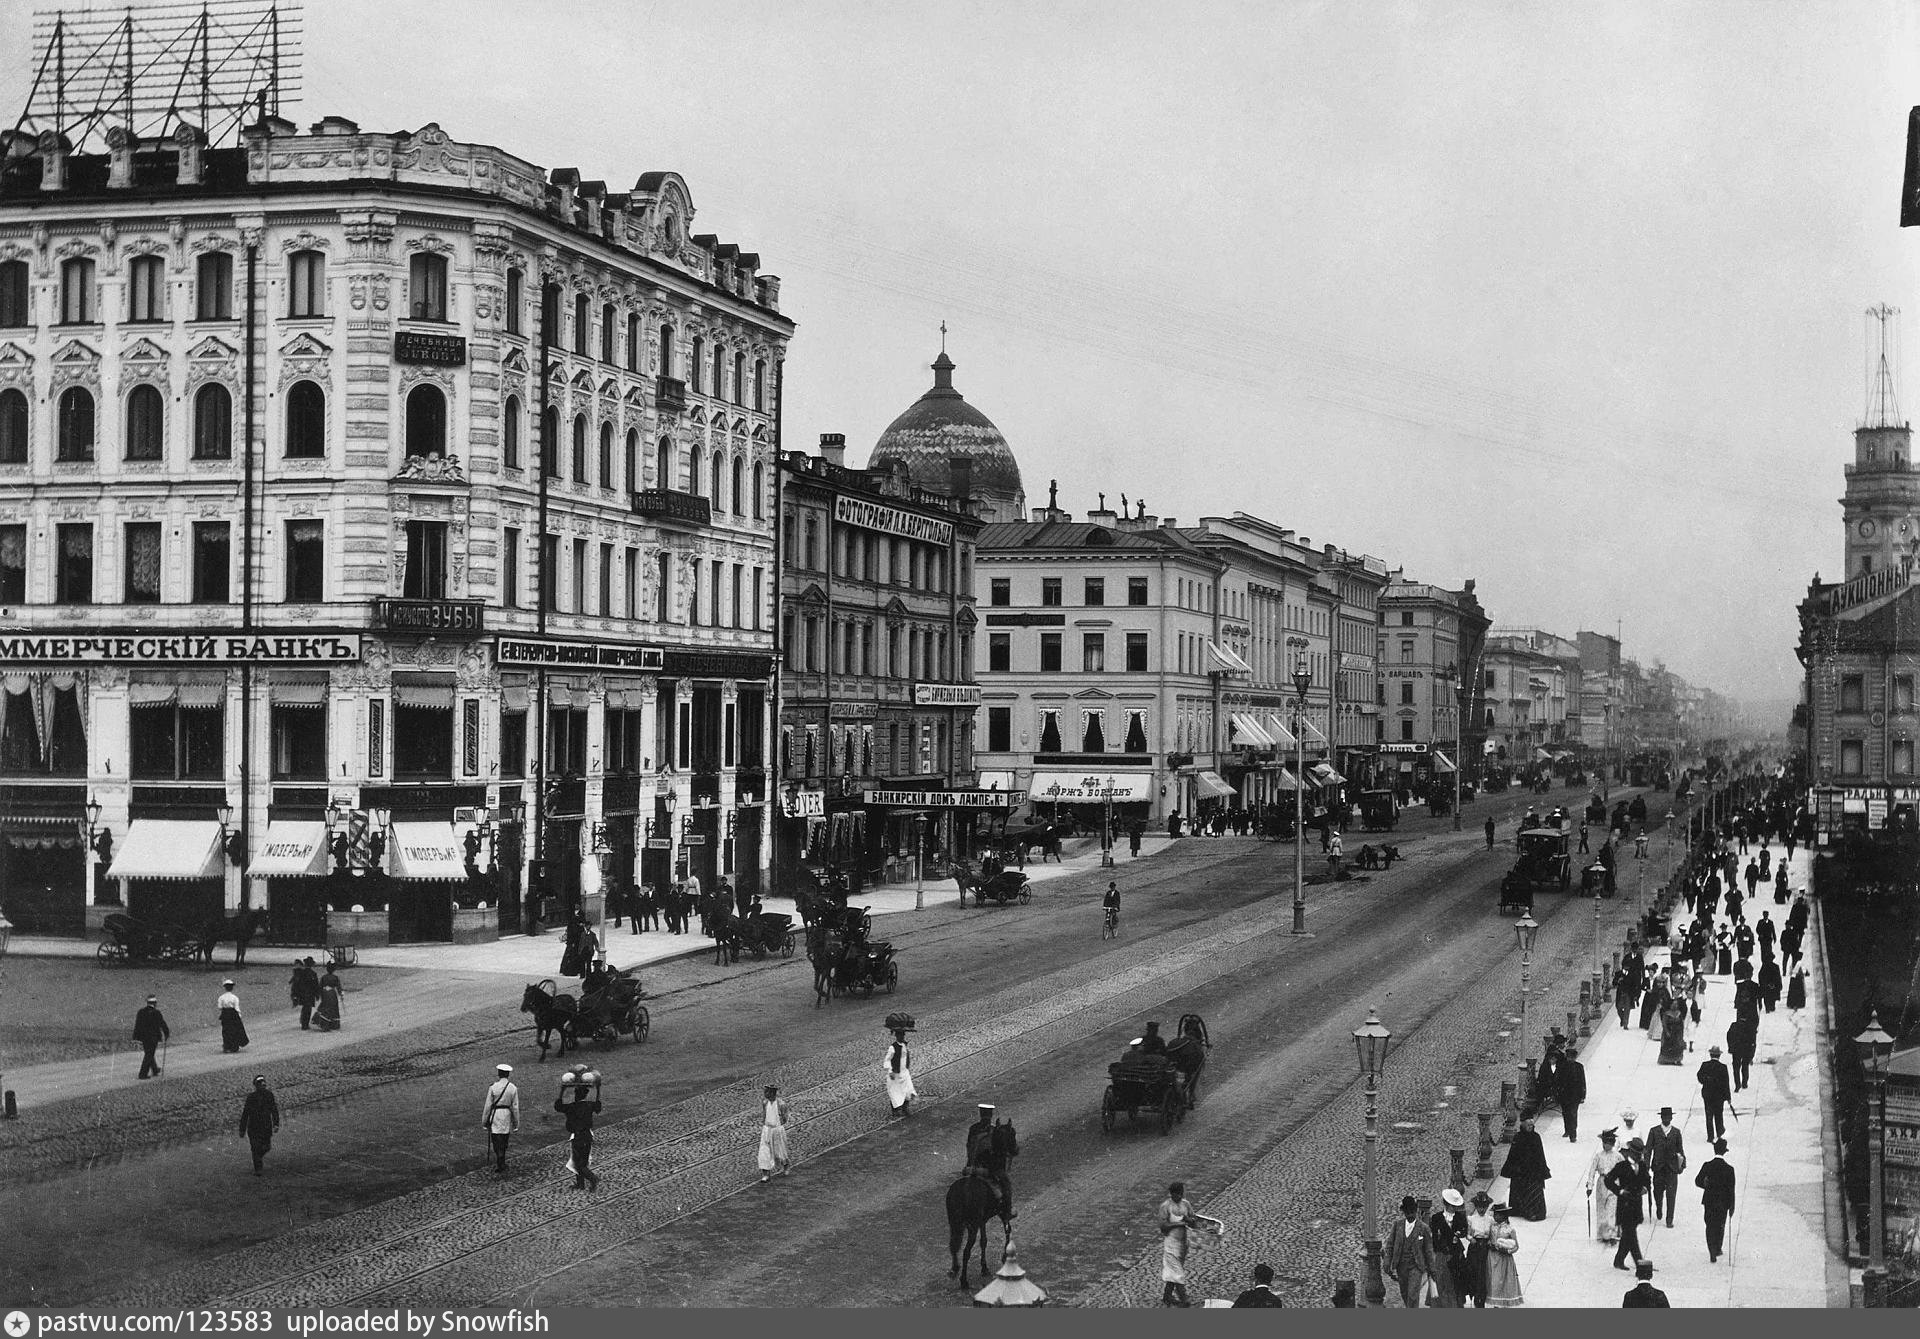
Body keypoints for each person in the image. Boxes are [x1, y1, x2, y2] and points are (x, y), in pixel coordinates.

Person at [1156, 1181, 1224, 1307]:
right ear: (1172, 1194)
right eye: (1177, 1194)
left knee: (1174, 1270)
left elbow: (1194, 1221)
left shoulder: (1186, 1204)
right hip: (1171, 1244)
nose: (1180, 1197)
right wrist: (1179, 1223)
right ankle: (1184, 1299)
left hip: (1183, 1244)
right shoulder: (1166, 1207)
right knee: (1178, 1272)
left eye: (1181, 1194)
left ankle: (1167, 1296)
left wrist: (1189, 1220)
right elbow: (1163, 1227)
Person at [1604, 1137, 1650, 1270]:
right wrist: (1619, 1191)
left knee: (1627, 1235)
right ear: (1630, 1152)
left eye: (1640, 1154)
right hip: (1625, 1206)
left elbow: (1647, 1179)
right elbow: (1608, 1180)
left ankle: (1618, 1260)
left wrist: (1646, 1188)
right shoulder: (1622, 1166)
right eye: (1636, 1153)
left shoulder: (1641, 1165)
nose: (1638, 1156)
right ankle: (1640, 1264)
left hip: (1636, 1205)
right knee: (1631, 1235)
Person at [1384, 1193, 1435, 1308]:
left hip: (1416, 1266)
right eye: (1407, 1212)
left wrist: (1432, 1268)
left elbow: (1428, 1250)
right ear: (1404, 1212)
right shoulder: (1397, 1225)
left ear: (1416, 1211)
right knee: (1405, 1293)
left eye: (1412, 1211)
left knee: (1413, 1294)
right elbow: (1390, 1245)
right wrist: (1387, 1261)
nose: (1410, 1214)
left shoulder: (1423, 1228)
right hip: (1401, 1266)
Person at [1499, 1116, 1551, 1221]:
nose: (1530, 1127)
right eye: (1528, 1125)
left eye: (1532, 1125)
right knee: (1519, 1189)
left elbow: (1540, 1155)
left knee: (1534, 1192)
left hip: (1533, 1170)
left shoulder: (1536, 1137)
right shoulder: (1518, 1137)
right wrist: (1512, 1168)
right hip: (1520, 1170)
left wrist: (1542, 1170)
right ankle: (1519, 1210)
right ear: (1523, 1125)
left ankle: (1533, 1212)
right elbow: (1513, 1154)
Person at [554, 1080, 602, 1191]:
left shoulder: (572, 1107)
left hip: (578, 1137)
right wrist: (598, 1090)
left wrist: (562, 1090)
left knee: (577, 1163)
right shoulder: (589, 1105)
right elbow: (598, 1106)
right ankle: (581, 1184)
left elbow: (558, 1106)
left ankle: (593, 1179)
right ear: (585, 1095)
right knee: (582, 1162)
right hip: (588, 1137)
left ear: (576, 1095)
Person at [1695, 1138, 1737, 1262]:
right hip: (1723, 1202)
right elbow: (1731, 1189)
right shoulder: (1729, 1169)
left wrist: (1705, 1184)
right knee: (1720, 1225)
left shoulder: (1707, 1165)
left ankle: (1711, 1250)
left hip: (1709, 1200)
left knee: (1709, 1225)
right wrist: (1732, 1206)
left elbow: (1697, 1181)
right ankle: (1718, 1247)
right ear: (1725, 1152)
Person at [1648, 1107, 1687, 1228]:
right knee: (1657, 1192)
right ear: (1661, 1118)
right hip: (1658, 1168)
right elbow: (1648, 1149)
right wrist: (1646, 1165)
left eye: (1668, 1117)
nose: (1666, 1119)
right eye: (1664, 1117)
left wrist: (1682, 1164)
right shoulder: (1654, 1131)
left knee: (1671, 1194)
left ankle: (1669, 1219)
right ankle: (1659, 1207)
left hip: (1671, 1169)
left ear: (1671, 1118)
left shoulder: (1676, 1132)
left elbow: (1680, 1149)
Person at [237, 1075, 280, 1175]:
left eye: (264, 1084)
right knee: (255, 1148)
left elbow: (274, 1110)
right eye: (261, 1085)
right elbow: (245, 1113)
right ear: (256, 1086)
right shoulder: (251, 1097)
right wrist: (242, 1129)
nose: (263, 1086)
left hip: (266, 1127)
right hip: (253, 1127)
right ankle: (258, 1169)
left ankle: (258, 1159)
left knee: (266, 1147)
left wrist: (276, 1123)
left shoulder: (269, 1095)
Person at [1585, 1129, 1621, 1243]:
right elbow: (1592, 1171)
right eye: (1604, 1142)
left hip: (1614, 1183)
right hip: (1602, 1183)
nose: (1606, 1145)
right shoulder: (1598, 1156)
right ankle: (1603, 1234)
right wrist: (1590, 1186)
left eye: (1609, 1142)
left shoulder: (1618, 1156)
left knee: (1611, 1208)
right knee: (1601, 1209)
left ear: (1613, 1143)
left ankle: (1612, 1235)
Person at [1484, 1204, 1524, 1307]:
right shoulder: (1492, 1226)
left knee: (1504, 1279)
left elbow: (1516, 1246)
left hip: (1504, 1258)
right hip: (1493, 1257)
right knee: (1494, 1279)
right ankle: (1495, 1302)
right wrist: (1490, 1244)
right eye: (1494, 1214)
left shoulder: (1509, 1229)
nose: (1495, 1217)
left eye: (1497, 1215)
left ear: (1503, 1216)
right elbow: (1488, 1239)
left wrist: (1507, 1251)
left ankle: (1504, 1301)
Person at [482, 1063, 520, 1173]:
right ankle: (502, 1160)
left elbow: (487, 1106)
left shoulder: (493, 1087)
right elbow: (515, 1107)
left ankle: (499, 1159)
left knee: (496, 1139)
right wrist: (516, 1123)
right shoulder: (513, 1088)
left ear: (499, 1074)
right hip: (506, 1115)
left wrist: (484, 1122)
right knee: (504, 1139)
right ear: (508, 1074)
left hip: (495, 1115)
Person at [1462, 1191, 1494, 1307]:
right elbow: (1468, 1234)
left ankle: (1482, 1296)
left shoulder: (1490, 1219)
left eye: (1484, 1207)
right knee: (1474, 1271)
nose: (1482, 1210)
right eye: (1479, 1207)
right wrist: (1471, 1239)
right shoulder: (1471, 1219)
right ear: (1476, 1207)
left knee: (1484, 1272)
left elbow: (1492, 1234)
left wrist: (1490, 1241)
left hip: (1485, 1247)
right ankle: (1474, 1295)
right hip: (1475, 1247)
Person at [1697, 1046, 1733, 1143]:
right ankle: (1719, 1133)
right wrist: (1728, 1097)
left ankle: (1710, 1136)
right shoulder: (1723, 1067)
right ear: (1719, 1055)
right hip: (1719, 1096)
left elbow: (1699, 1077)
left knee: (1709, 1115)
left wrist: (1706, 1081)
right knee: (1718, 1115)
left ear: (1710, 1054)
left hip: (1707, 1095)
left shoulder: (1705, 1065)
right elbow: (1726, 1083)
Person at [758, 1084, 791, 1182]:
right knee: (764, 1151)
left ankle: (786, 1164)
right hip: (767, 1130)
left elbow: (785, 1118)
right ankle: (765, 1174)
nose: (765, 1094)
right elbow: (764, 1115)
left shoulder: (781, 1104)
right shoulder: (765, 1103)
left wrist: (777, 1126)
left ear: (772, 1092)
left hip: (777, 1129)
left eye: (767, 1092)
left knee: (780, 1150)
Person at [133, 995, 169, 1079]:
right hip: (153, 1037)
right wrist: (166, 1034)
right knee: (149, 1054)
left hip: (144, 1037)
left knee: (149, 1053)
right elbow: (162, 1024)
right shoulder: (156, 1013)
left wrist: (135, 1037)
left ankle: (155, 1069)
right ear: (155, 1003)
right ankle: (142, 1074)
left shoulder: (141, 1012)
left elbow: (137, 1025)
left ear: (147, 1002)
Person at [1557, 1046, 1587, 1140]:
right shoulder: (1562, 1066)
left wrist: (1583, 1095)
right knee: (1565, 1112)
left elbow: (1582, 1081)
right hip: (1564, 1094)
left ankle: (1573, 1134)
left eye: (1572, 1057)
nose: (1571, 1059)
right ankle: (1567, 1130)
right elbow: (1558, 1080)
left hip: (1575, 1095)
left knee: (1573, 1113)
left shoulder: (1579, 1067)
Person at [885, 1027, 916, 1117]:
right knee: (895, 1091)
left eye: (902, 1035)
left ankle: (905, 1108)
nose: (901, 1037)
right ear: (897, 1036)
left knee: (907, 1091)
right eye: (899, 1035)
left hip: (904, 1072)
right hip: (895, 1073)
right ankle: (896, 1110)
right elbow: (887, 1060)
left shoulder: (904, 1045)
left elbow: (906, 1057)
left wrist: (907, 1067)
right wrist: (890, 1071)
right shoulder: (892, 1047)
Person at [216, 980, 248, 1053]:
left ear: (225, 988)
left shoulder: (221, 997)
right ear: (232, 988)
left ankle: (227, 1046)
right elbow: (237, 1008)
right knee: (234, 1030)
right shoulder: (235, 997)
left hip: (225, 1014)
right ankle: (234, 1046)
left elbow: (219, 1007)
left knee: (226, 1030)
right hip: (233, 1014)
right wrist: (239, 1016)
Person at [1726, 1015, 1757, 1092]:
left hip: (1736, 1050)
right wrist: (1752, 1054)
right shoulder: (1750, 1027)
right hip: (1746, 1050)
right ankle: (1744, 1082)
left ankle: (1737, 1084)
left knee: (1736, 1068)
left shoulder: (1734, 1025)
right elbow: (1753, 1042)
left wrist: (1730, 1047)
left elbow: (1728, 1036)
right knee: (1745, 1066)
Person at [289, 958, 320, 1030]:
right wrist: (317, 994)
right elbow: (315, 985)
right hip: (310, 994)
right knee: (308, 1009)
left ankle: (303, 1022)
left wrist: (296, 993)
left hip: (302, 993)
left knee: (305, 1008)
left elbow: (297, 983)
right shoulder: (313, 974)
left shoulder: (301, 973)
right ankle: (305, 1024)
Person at [314, 963, 343, 1032]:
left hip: (325, 993)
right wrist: (341, 995)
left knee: (325, 1007)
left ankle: (324, 1024)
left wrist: (319, 995)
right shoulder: (335, 977)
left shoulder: (324, 977)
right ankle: (333, 1025)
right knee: (333, 1007)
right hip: (332, 993)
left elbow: (320, 986)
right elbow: (338, 987)